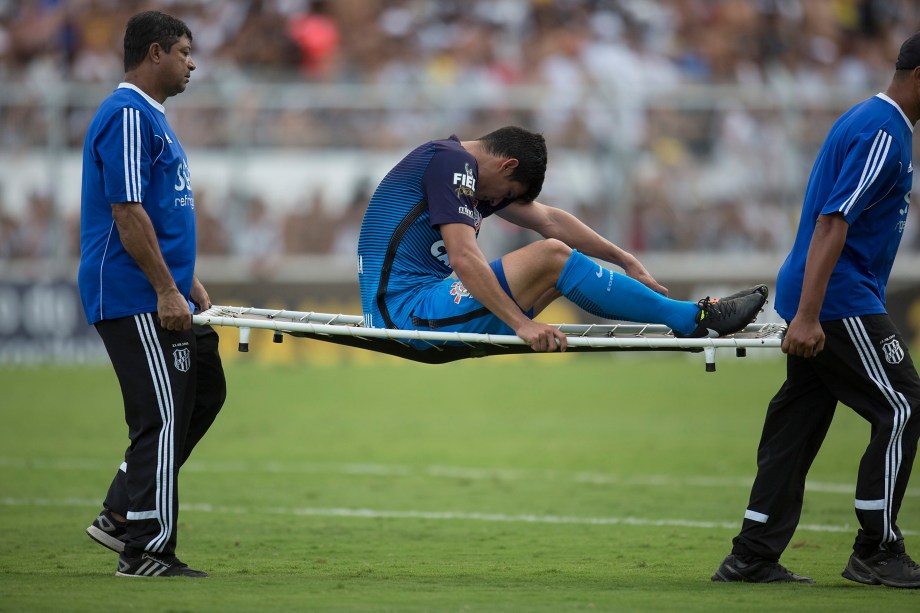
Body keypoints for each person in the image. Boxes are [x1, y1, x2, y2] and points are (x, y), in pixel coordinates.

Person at [712, 32, 920, 588]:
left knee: (799, 419)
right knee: (904, 403)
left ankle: (752, 553)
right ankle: (876, 549)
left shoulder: (868, 120)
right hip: (836, 297)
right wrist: (807, 317)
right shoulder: (885, 130)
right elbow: (833, 222)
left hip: (822, 293)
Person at [357, 126, 767, 354]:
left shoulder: (467, 174)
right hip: (403, 314)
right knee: (552, 257)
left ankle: (685, 317)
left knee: (556, 259)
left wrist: (622, 257)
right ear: (508, 164)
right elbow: (465, 257)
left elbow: (549, 219)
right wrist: (523, 324)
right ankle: (691, 319)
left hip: (420, 302)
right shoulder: (455, 165)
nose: (498, 204)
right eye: (506, 194)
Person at [78, 11, 226, 578]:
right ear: (157, 52)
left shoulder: (152, 119)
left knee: (204, 392)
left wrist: (185, 281)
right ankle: (145, 548)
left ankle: (121, 510)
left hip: (161, 289)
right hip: (132, 292)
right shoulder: (129, 115)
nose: (193, 63)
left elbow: (161, 215)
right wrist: (166, 288)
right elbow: (127, 209)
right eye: (186, 52)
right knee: (163, 417)